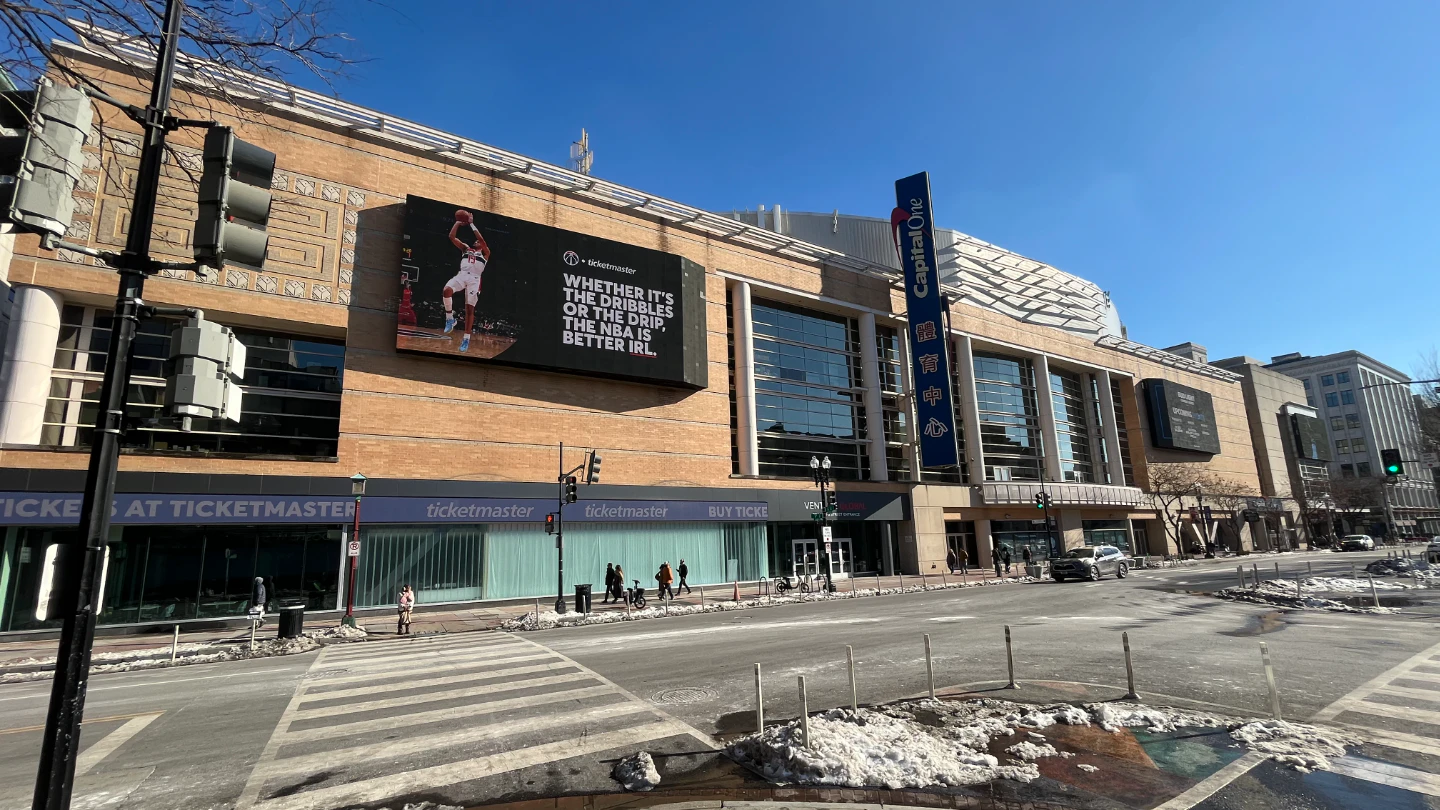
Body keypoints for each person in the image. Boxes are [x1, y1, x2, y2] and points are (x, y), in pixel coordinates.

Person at [442, 209, 491, 354]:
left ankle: (466, 338)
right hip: (462, 275)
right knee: (446, 291)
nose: (476, 241)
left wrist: (471, 224)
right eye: (475, 241)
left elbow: (482, 240)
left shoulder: (486, 253)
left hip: (475, 280)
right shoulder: (466, 248)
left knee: (469, 309)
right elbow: (451, 236)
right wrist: (458, 222)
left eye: (478, 241)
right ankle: (450, 318)